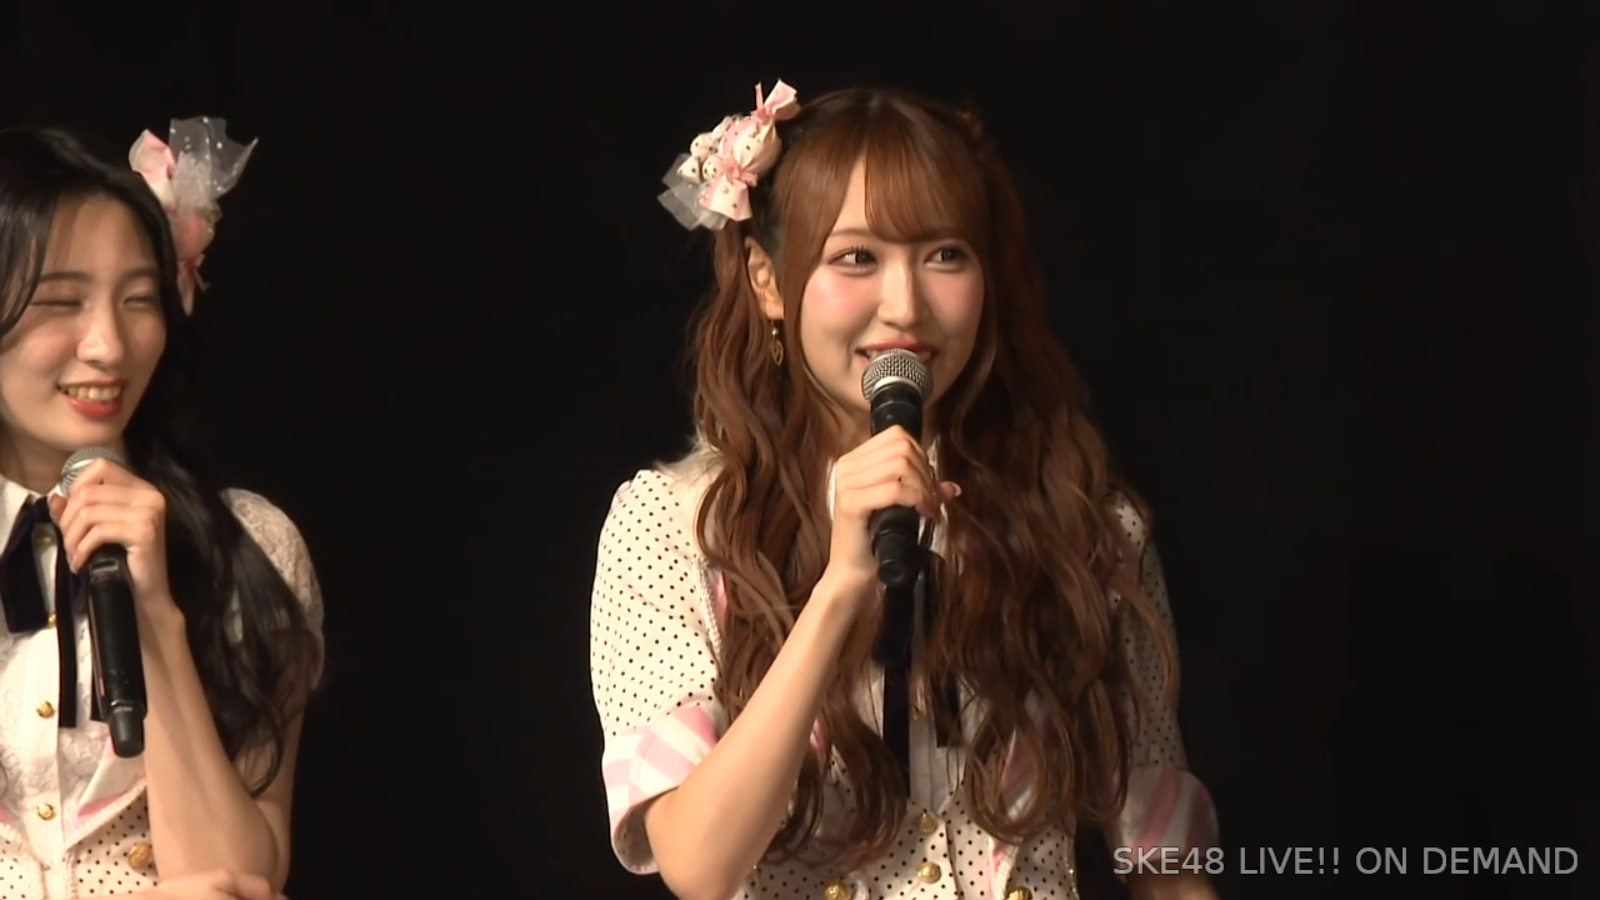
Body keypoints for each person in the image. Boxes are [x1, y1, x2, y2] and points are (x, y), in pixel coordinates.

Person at [590, 81, 1221, 900]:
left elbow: (1166, 865)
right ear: (767, 280)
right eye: (857, 257)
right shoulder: (674, 527)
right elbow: (697, 864)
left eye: (945, 254)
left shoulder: (1085, 523)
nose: (906, 305)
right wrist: (841, 589)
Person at [0, 120, 324, 899]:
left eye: (139, 300)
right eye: (61, 302)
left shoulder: (249, 546)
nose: (109, 345)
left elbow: (242, 881)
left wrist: (155, 614)